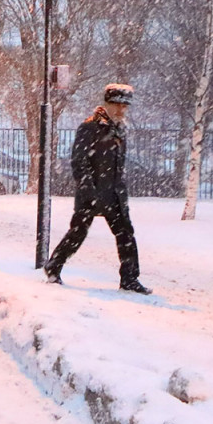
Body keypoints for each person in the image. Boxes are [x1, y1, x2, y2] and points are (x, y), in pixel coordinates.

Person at [44, 84, 151, 294]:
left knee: (126, 233)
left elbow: (118, 165)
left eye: (124, 106)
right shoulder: (90, 127)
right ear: (107, 104)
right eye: (117, 105)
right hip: (92, 193)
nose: (121, 111)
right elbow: (79, 161)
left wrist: (119, 190)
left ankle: (129, 278)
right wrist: (88, 189)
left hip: (114, 194)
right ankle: (53, 266)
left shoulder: (120, 129)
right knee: (78, 233)